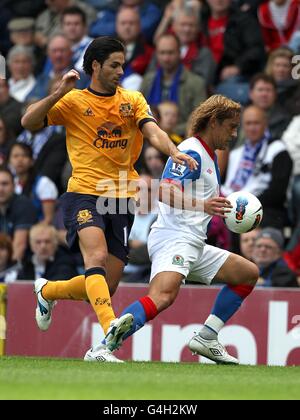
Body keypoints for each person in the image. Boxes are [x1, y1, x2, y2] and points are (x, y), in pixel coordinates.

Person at [21, 36, 197, 362]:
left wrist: (173, 149)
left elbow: (152, 130)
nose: (121, 70)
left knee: (106, 285)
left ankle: (48, 291)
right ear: (96, 66)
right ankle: (105, 339)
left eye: (122, 64)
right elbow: (28, 121)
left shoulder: (132, 100)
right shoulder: (73, 102)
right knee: (96, 258)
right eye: (114, 64)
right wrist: (59, 92)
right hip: (84, 193)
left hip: (121, 197)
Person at [85, 95, 260, 364]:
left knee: (247, 274)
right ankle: (102, 348)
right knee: (162, 296)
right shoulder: (191, 152)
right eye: (231, 126)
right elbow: (165, 192)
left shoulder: (208, 155)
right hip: (175, 239)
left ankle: (207, 337)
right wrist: (204, 205)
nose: (235, 133)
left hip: (193, 242)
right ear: (214, 122)